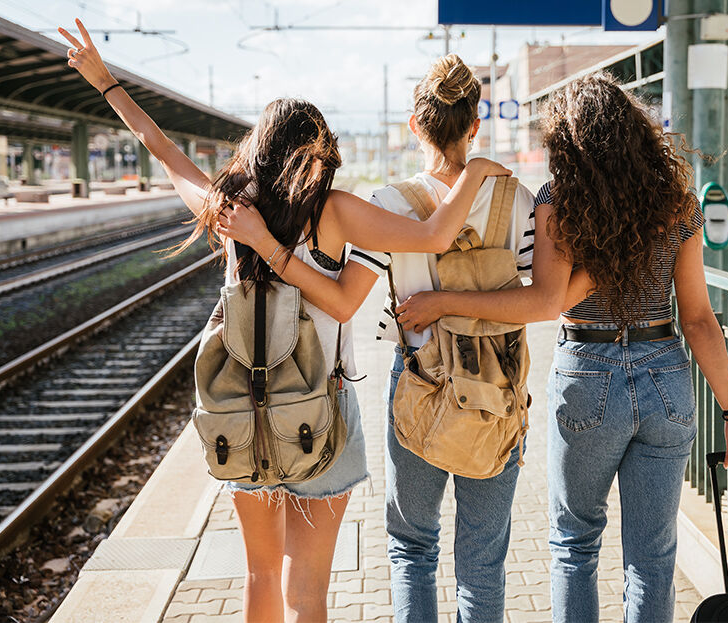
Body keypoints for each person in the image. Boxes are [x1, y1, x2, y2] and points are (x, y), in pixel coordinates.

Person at [58, 21, 508, 623]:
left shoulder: (228, 210)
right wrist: (475, 172)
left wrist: (105, 83)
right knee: (308, 593)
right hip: (324, 411)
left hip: (242, 412)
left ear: (258, 147)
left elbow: (162, 151)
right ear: (316, 150)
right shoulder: (337, 212)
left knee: (260, 575)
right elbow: (433, 234)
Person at [395, 73, 728, 623]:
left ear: (569, 140)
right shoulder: (675, 203)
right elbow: (701, 320)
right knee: (654, 558)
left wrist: (444, 301)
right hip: (666, 376)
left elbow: (546, 303)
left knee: (575, 544)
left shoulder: (561, 200)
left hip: (588, 377)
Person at [219, 54, 536, 623]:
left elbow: (366, 283)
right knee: (484, 562)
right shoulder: (520, 200)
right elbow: (540, 297)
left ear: (415, 126)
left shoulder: (390, 201)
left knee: (413, 548)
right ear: (474, 124)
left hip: (420, 382)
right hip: (498, 390)